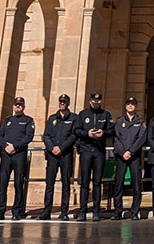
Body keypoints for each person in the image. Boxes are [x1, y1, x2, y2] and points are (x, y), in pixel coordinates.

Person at [75, 91, 115, 221]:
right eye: (94, 102)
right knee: (85, 182)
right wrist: (88, 134)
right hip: (86, 150)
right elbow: (76, 130)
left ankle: (96, 210)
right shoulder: (83, 114)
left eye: (98, 102)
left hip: (99, 151)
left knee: (97, 182)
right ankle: (83, 210)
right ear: (90, 101)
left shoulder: (105, 114)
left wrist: (102, 133)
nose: (96, 104)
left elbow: (112, 130)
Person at [0, 97, 35, 220]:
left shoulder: (28, 120)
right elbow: (0, 136)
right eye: (16, 104)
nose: (18, 106)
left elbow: (29, 137)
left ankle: (17, 212)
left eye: (20, 105)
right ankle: (0, 212)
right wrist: (6, 146)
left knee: (18, 183)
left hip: (19, 154)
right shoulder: (7, 120)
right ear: (13, 106)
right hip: (6, 155)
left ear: (23, 106)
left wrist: (15, 147)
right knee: (3, 184)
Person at [39, 93, 77, 220]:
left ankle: (64, 212)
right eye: (61, 101)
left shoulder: (73, 118)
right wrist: (52, 148)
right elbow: (46, 135)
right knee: (49, 184)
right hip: (52, 155)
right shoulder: (52, 118)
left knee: (66, 184)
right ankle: (46, 211)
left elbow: (73, 136)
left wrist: (61, 148)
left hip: (65, 155)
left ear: (68, 103)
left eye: (65, 101)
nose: (62, 103)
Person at [113, 97, 147, 220]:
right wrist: (123, 152)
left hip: (134, 156)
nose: (130, 106)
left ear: (136, 106)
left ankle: (134, 212)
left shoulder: (140, 121)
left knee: (136, 184)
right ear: (125, 106)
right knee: (118, 184)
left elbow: (141, 139)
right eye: (128, 104)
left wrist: (131, 152)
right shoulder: (119, 121)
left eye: (133, 104)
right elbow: (116, 138)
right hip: (121, 157)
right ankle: (117, 212)